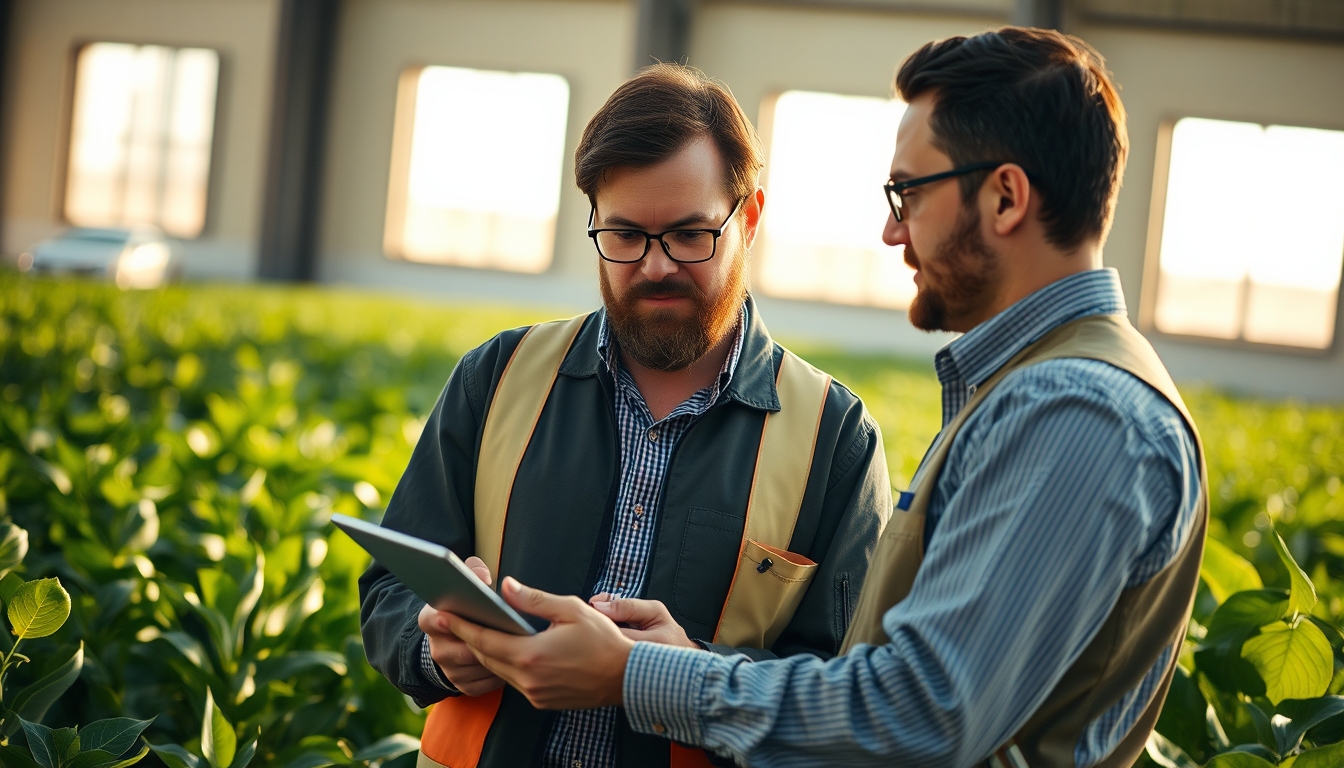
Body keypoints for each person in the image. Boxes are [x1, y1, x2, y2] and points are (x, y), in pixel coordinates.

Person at [441, 27, 1208, 768]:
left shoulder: (1076, 413)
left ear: (1006, 198)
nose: (888, 231)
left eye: (908, 192)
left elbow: (919, 715)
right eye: (625, 235)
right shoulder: (1040, 393)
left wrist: (636, 676)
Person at [358, 63, 891, 768]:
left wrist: (685, 675)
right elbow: (389, 589)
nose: (655, 266)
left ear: (750, 217)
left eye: (689, 235)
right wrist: (432, 646)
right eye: (625, 235)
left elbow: (852, 696)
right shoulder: (498, 376)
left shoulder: (835, 437)